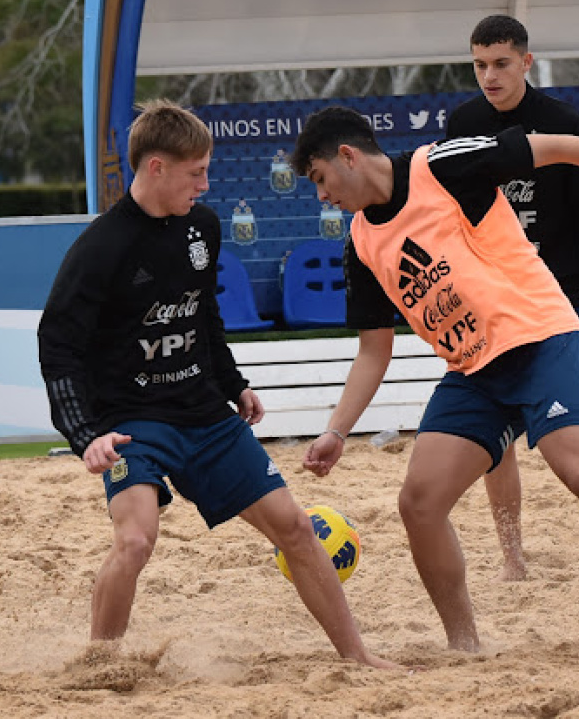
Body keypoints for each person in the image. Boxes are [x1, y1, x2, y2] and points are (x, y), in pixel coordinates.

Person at [291, 106, 579, 656]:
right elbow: (374, 350)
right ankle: (466, 645)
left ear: (347, 156)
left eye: (320, 179)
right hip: (473, 373)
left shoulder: (439, 167)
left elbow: (554, 147)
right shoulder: (361, 242)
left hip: (540, 338)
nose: (321, 195)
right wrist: (337, 432)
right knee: (418, 503)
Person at [37, 99, 397, 670]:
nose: (207, 184)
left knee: (297, 528)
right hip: (133, 424)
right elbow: (56, 347)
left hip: (204, 413)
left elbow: (203, 316)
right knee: (135, 541)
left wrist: (234, 383)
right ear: (156, 167)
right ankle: (98, 667)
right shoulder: (101, 247)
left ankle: (358, 657)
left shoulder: (201, 227)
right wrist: (85, 436)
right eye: (196, 172)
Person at [446, 14, 579, 585]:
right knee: (497, 437)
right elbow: (453, 224)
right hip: (494, 302)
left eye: (500, 64)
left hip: (563, 300)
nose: (489, 75)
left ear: (525, 62)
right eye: (479, 64)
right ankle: (513, 557)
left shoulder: (563, 121)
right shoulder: (461, 123)